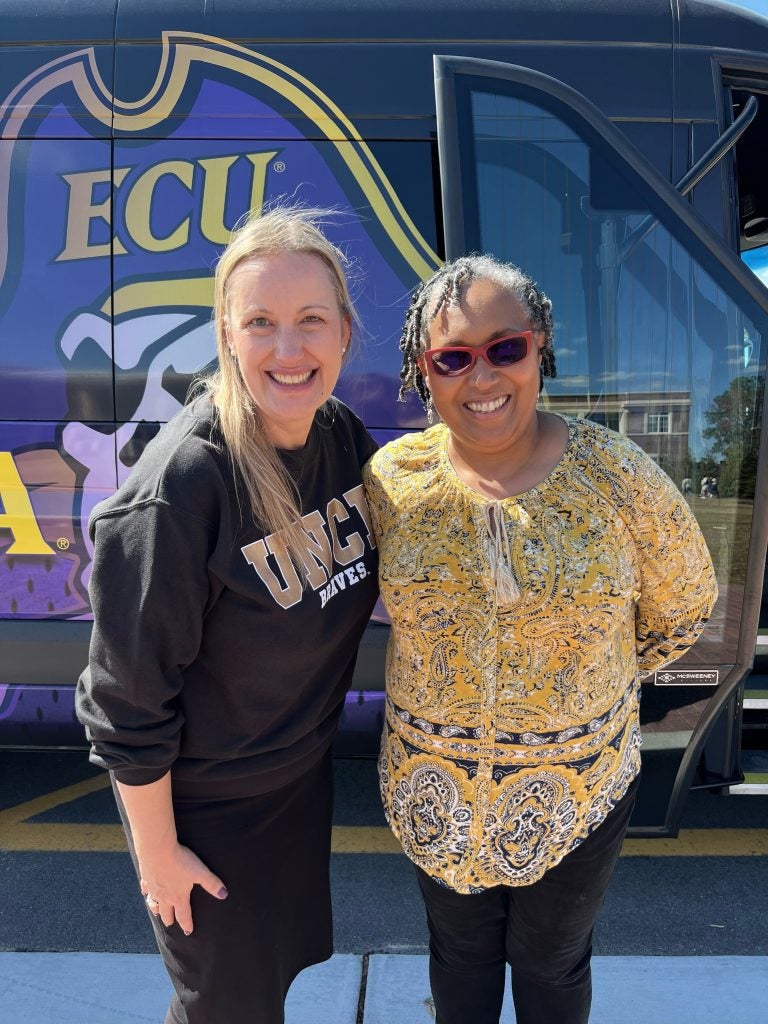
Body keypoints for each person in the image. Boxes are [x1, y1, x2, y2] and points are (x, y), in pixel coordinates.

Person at [363, 254, 718, 1024]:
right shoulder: (393, 480)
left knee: (552, 962)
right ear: (425, 373)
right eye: (452, 358)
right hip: (435, 790)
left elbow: (685, 606)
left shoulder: (617, 477)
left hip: (579, 789)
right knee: (458, 956)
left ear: (540, 345)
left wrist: (586, 682)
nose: (481, 377)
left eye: (505, 348)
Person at [76, 207, 379, 1024]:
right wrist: (158, 855)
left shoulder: (342, 439)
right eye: (261, 323)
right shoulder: (182, 491)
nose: (289, 349)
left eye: (311, 321)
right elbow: (125, 702)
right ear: (226, 336)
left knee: (254, 993)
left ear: (345, 333)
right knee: (226, 1008)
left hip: (292, 784)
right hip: (205, 811)